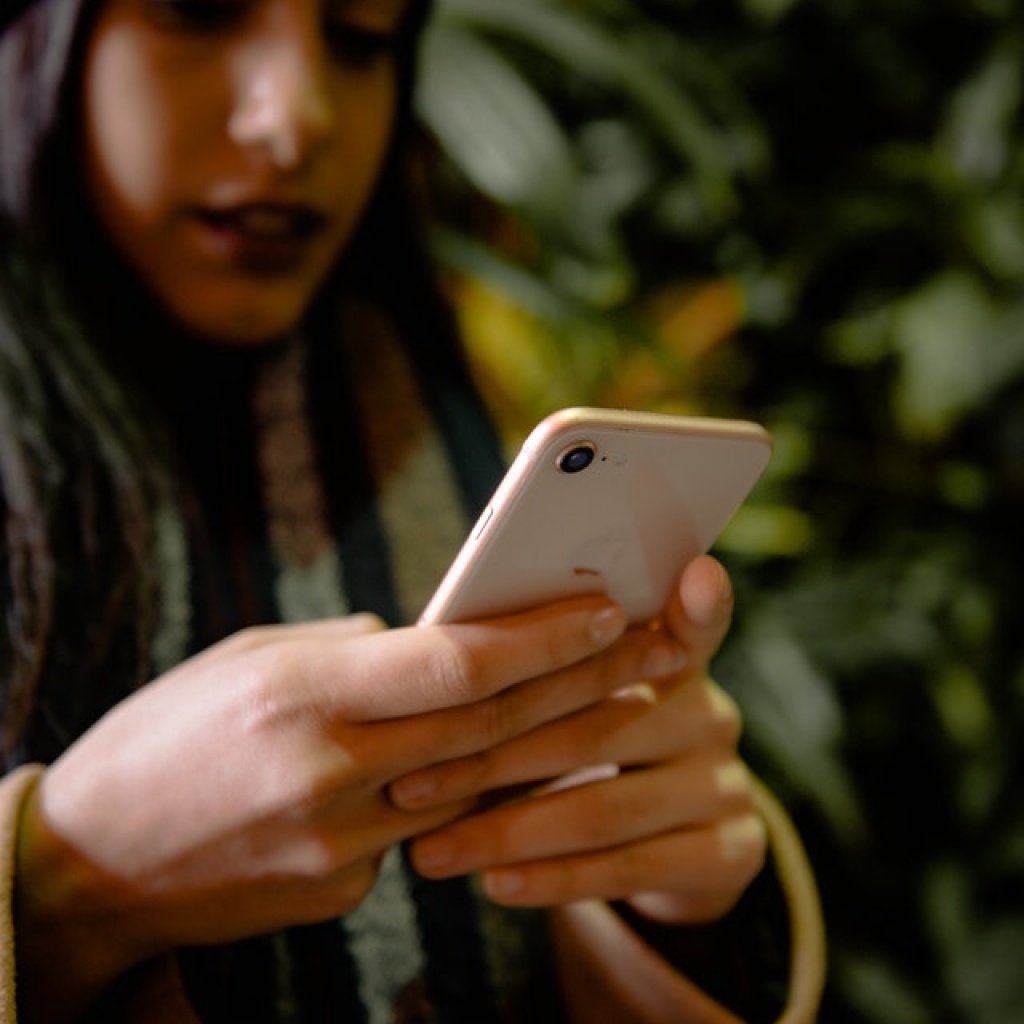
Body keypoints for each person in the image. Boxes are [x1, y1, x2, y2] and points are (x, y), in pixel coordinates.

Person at [0, 0, 825, 1021]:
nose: (294, 118)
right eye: (199, 10)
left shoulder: (422, 393)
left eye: (358, 39)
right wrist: (59, 887)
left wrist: (668, 903)